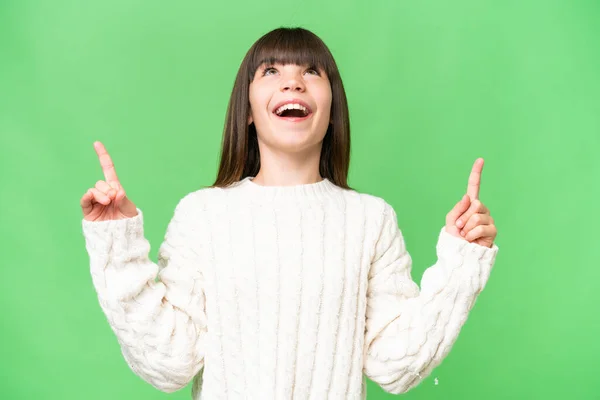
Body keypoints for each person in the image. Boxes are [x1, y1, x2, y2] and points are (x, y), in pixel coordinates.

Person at [80, 27, 498, 400]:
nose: (293, 82)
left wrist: (462, 265)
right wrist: (117, 247)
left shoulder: (371, 220)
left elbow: (395, 365)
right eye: (271, 72)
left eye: (311, 72)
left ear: (333, 111)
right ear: (246, 110)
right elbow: (169, 363)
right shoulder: (202, 214)